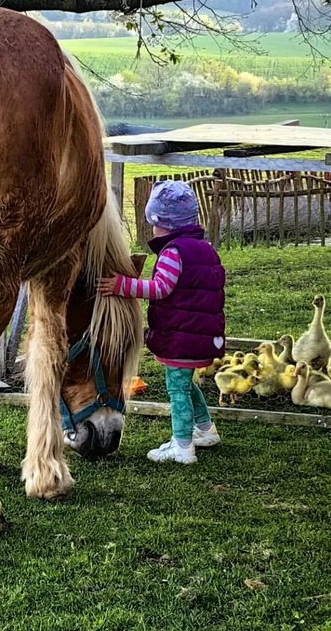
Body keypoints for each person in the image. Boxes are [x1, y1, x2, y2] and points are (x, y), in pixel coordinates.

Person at [97, 180, 226, 464]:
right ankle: (205, 430)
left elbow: (160, 288)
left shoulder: (173, 252)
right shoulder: (204, 248)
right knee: (186, 384)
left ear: (163, 224)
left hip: (181, 336)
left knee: (177, 389)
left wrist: (122, 286)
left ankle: (183, 447)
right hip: (200, 334)